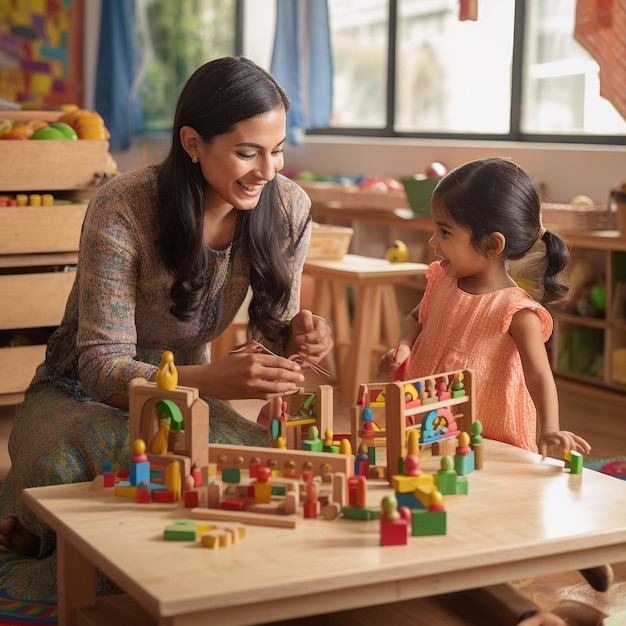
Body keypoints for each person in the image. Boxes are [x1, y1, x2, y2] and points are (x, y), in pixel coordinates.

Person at [0, 56, 332, 598]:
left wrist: (298, 337)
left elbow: (274, 330)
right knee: (72, 467)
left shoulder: (290, 205)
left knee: (255, 471)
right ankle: (39, 525)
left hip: (186, 399)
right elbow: (101, 366)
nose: (267, 172)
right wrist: (214, 383)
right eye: (247, 152)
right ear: (193, 142)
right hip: (78, 394)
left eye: (277, 152)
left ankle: (41, 533)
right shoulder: (124, 206)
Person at [378, 157, 611, 593]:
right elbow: (416, 318)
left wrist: (551, 429)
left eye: (444, 232)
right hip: (433, 406)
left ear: (492, 244)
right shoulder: (441, 278)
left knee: (497, 509)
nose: (433, 242)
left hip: (488, 424)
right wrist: (404, 346)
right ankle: (440, 563)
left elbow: (540, 376)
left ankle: (574, 551)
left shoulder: (515, 309)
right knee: (434, 485)